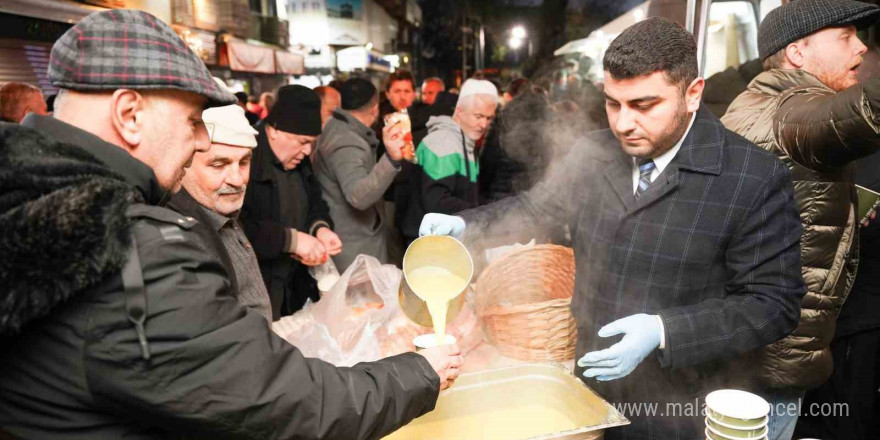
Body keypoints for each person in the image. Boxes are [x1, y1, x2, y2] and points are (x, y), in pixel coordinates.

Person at [0, 9, 462, 440]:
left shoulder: (31, 195)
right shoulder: (127, 247)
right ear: (129, 114)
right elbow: (287, 402)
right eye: (191, 119)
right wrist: (422, 374)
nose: (199, 139)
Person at [421, 18, 805, 439]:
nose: (623, 123)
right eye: (613, 103)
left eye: (644, 105)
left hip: (683, 402)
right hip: (593, 381)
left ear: (692, 94)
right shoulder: (594, 151)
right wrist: (465, 225)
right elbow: (536, 208)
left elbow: (772, 304)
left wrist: (662, 331)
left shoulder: (751, 177)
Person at [721, 1, 880, 439]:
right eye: (845, 37)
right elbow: (862, 113)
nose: (861, 48)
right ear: (797, 52)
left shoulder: (761, 102)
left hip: (753, 343)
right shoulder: (790, 112)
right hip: (771, 356)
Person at [168, 89, 272, 322]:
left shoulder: (223, 212)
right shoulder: (182, 242)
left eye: (243, 162)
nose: (237, 179)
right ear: (183, 163)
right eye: (218, 165)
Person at [240, 85, 343, 318]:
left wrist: (321, 228)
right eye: (301, 141)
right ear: (274, 130)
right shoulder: (245, 160)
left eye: (312, 143)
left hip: (295, 286)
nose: (307, 151)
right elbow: (238, 226)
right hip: (261, 290)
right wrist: (292, 241)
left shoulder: (300, 161)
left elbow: (316, 202)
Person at [313, 78, 406, 271]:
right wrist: (391, 159)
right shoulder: (347, 142)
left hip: (351, 239)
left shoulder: (337, 127)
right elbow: (358, 196)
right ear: (375, 108)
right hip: (353, 247)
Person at [398, 79, 497, 245]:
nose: (483, 124)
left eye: (489, 118)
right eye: (478, 116)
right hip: (428, 242)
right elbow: (436, 202)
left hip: (448, 237)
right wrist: (482, 214)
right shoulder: (443, 142)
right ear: (459, 111)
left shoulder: (465, 139)